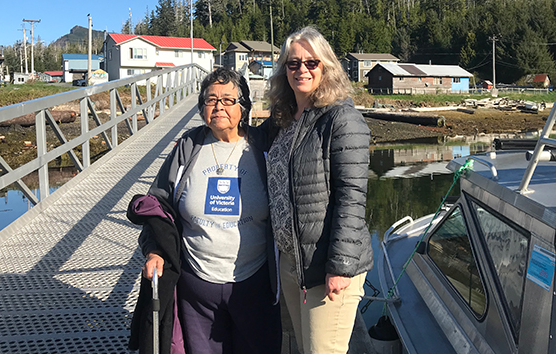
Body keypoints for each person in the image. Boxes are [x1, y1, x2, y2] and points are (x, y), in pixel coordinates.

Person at [127, 67, 281, 354]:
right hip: (197, 288)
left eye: (228, 99)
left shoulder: (263, 147)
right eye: (211, 100)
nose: (219, 106)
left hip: (254, 284)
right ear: (201, 107)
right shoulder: (188, 146)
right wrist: (154, 250)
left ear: (243, 107)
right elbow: (156, 206)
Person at [264, 26, 373, 354]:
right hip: (292, 262)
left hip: (326, 264)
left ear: (326, 67)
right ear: (284, 69)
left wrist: (339, 267)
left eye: (311, 63)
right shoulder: (285, 120)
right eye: (293, 63)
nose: (302, 70)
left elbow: (352, 196)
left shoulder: (341, 118)